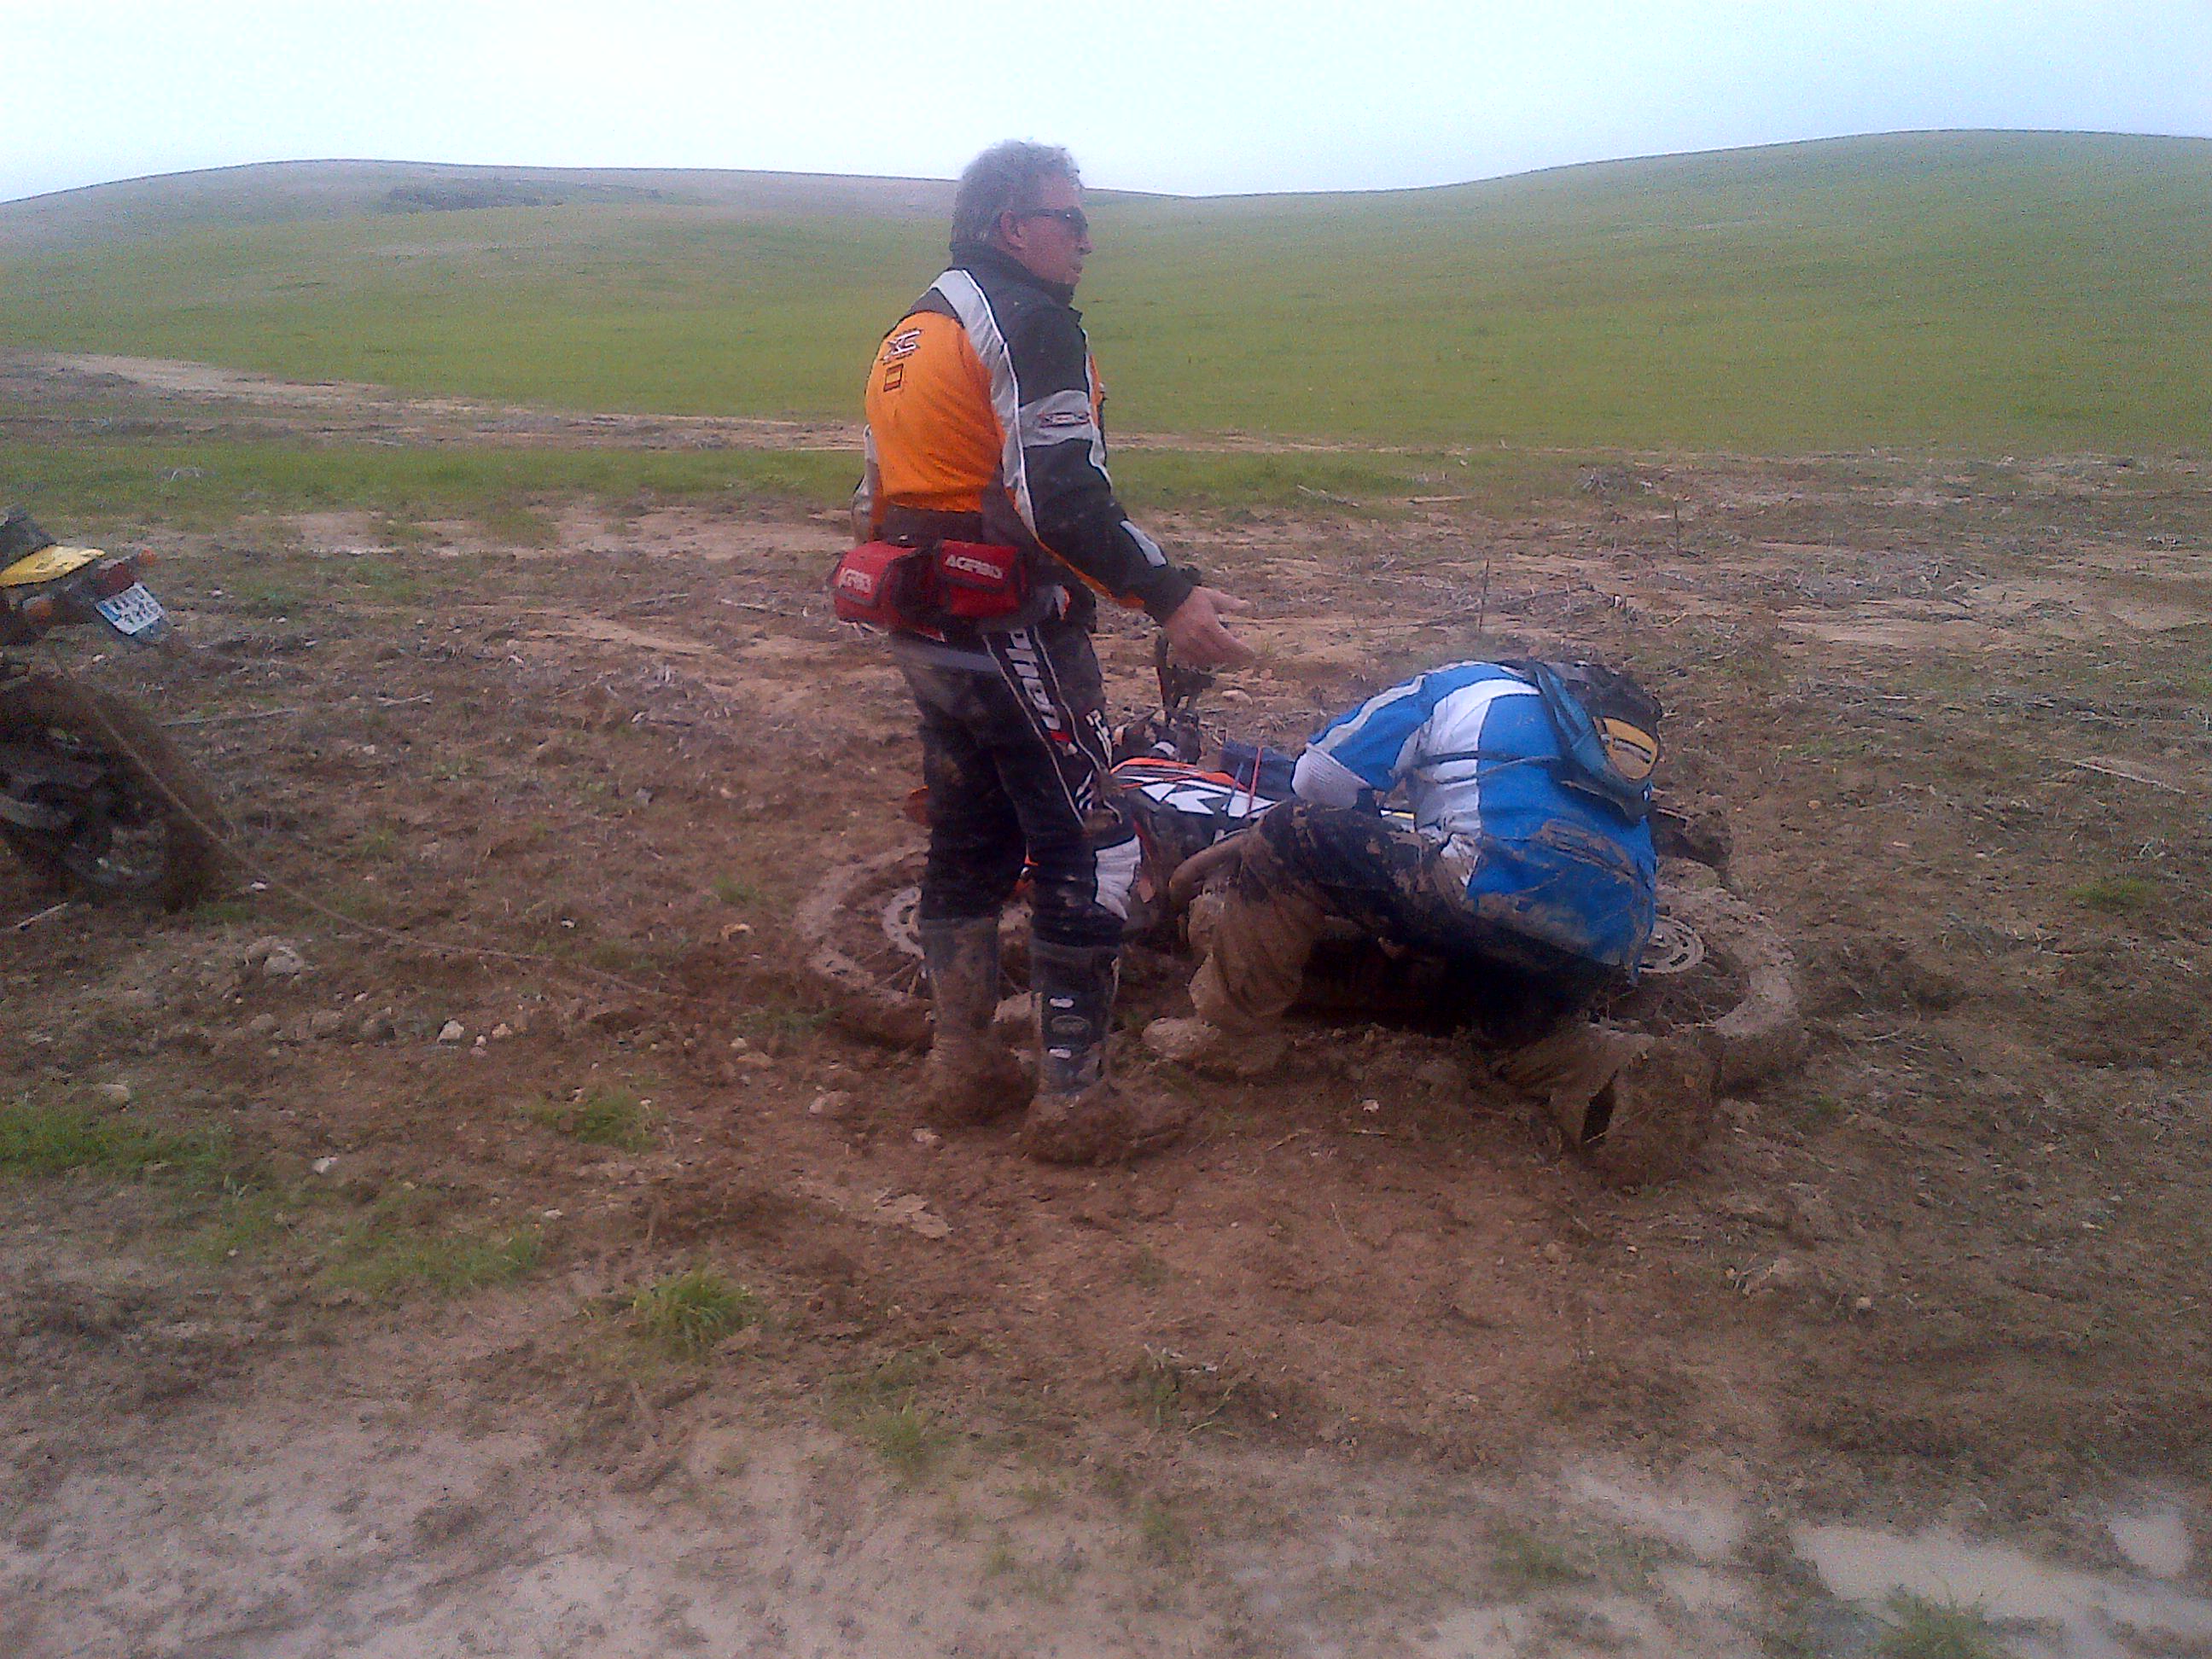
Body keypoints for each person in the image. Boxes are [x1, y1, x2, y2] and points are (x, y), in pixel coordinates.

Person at [853, 141, 1252, 1163]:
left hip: (922, 626)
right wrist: (1169, 596)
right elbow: (1061, 496)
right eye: (1067, 218)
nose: (1085, 237)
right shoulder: (1029, 322)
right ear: (1009, 228)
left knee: (970, 835)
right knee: (1088, 842)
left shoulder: (912, 330)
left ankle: (962, 1062)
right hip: (1009, 626)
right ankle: (1075, 1104)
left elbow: (877, 495)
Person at [1143, 658, 1715, 1145]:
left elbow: (1319, 779)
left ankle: (1232, 1033)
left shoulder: (1454, 683)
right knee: (1508, 1025)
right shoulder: (1600, 737)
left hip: (1487, 884)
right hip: (1615, 934)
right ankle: (1609, 1070)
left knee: (1292, 832)